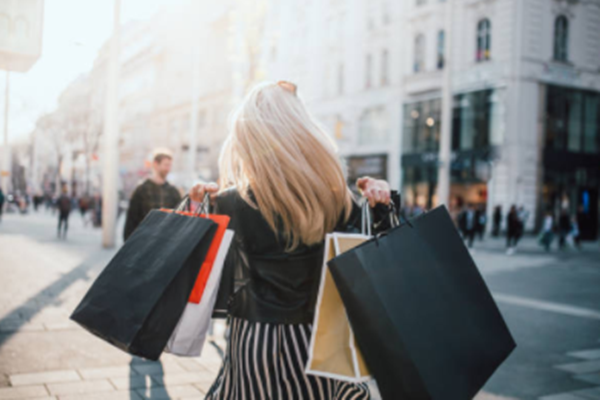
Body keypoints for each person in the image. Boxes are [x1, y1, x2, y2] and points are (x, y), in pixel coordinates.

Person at [189, 81, 396, 399]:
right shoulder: (337, 199)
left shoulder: (230, 202)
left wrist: (199, 209)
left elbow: (206, 276)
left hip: (253, 341)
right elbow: (383, 258)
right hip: (319, 343)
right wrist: (382, 205)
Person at [123, 148, 182, 241]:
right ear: (155, 164)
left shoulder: (173, 191)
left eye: (170, 165)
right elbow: (131, 220)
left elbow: (179, 220)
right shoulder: (141, 190)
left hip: (166, 242)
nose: (168, 169)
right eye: (166, 165)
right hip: (144, 241)